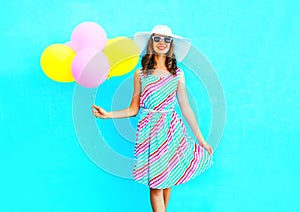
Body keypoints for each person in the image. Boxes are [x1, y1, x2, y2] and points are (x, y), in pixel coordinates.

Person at [92, 25, 214, 212]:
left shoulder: (178, 74)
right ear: (151, 43)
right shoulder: (140, 74)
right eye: (157, 39)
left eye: (167, 39)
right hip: (149, 132)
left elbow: (185, 108)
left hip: (171, 131)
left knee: (166, 181)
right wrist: (108, 114)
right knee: (156, 184)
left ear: (171, 45)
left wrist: (201, 139)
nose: (162, 43)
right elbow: (134, 109)